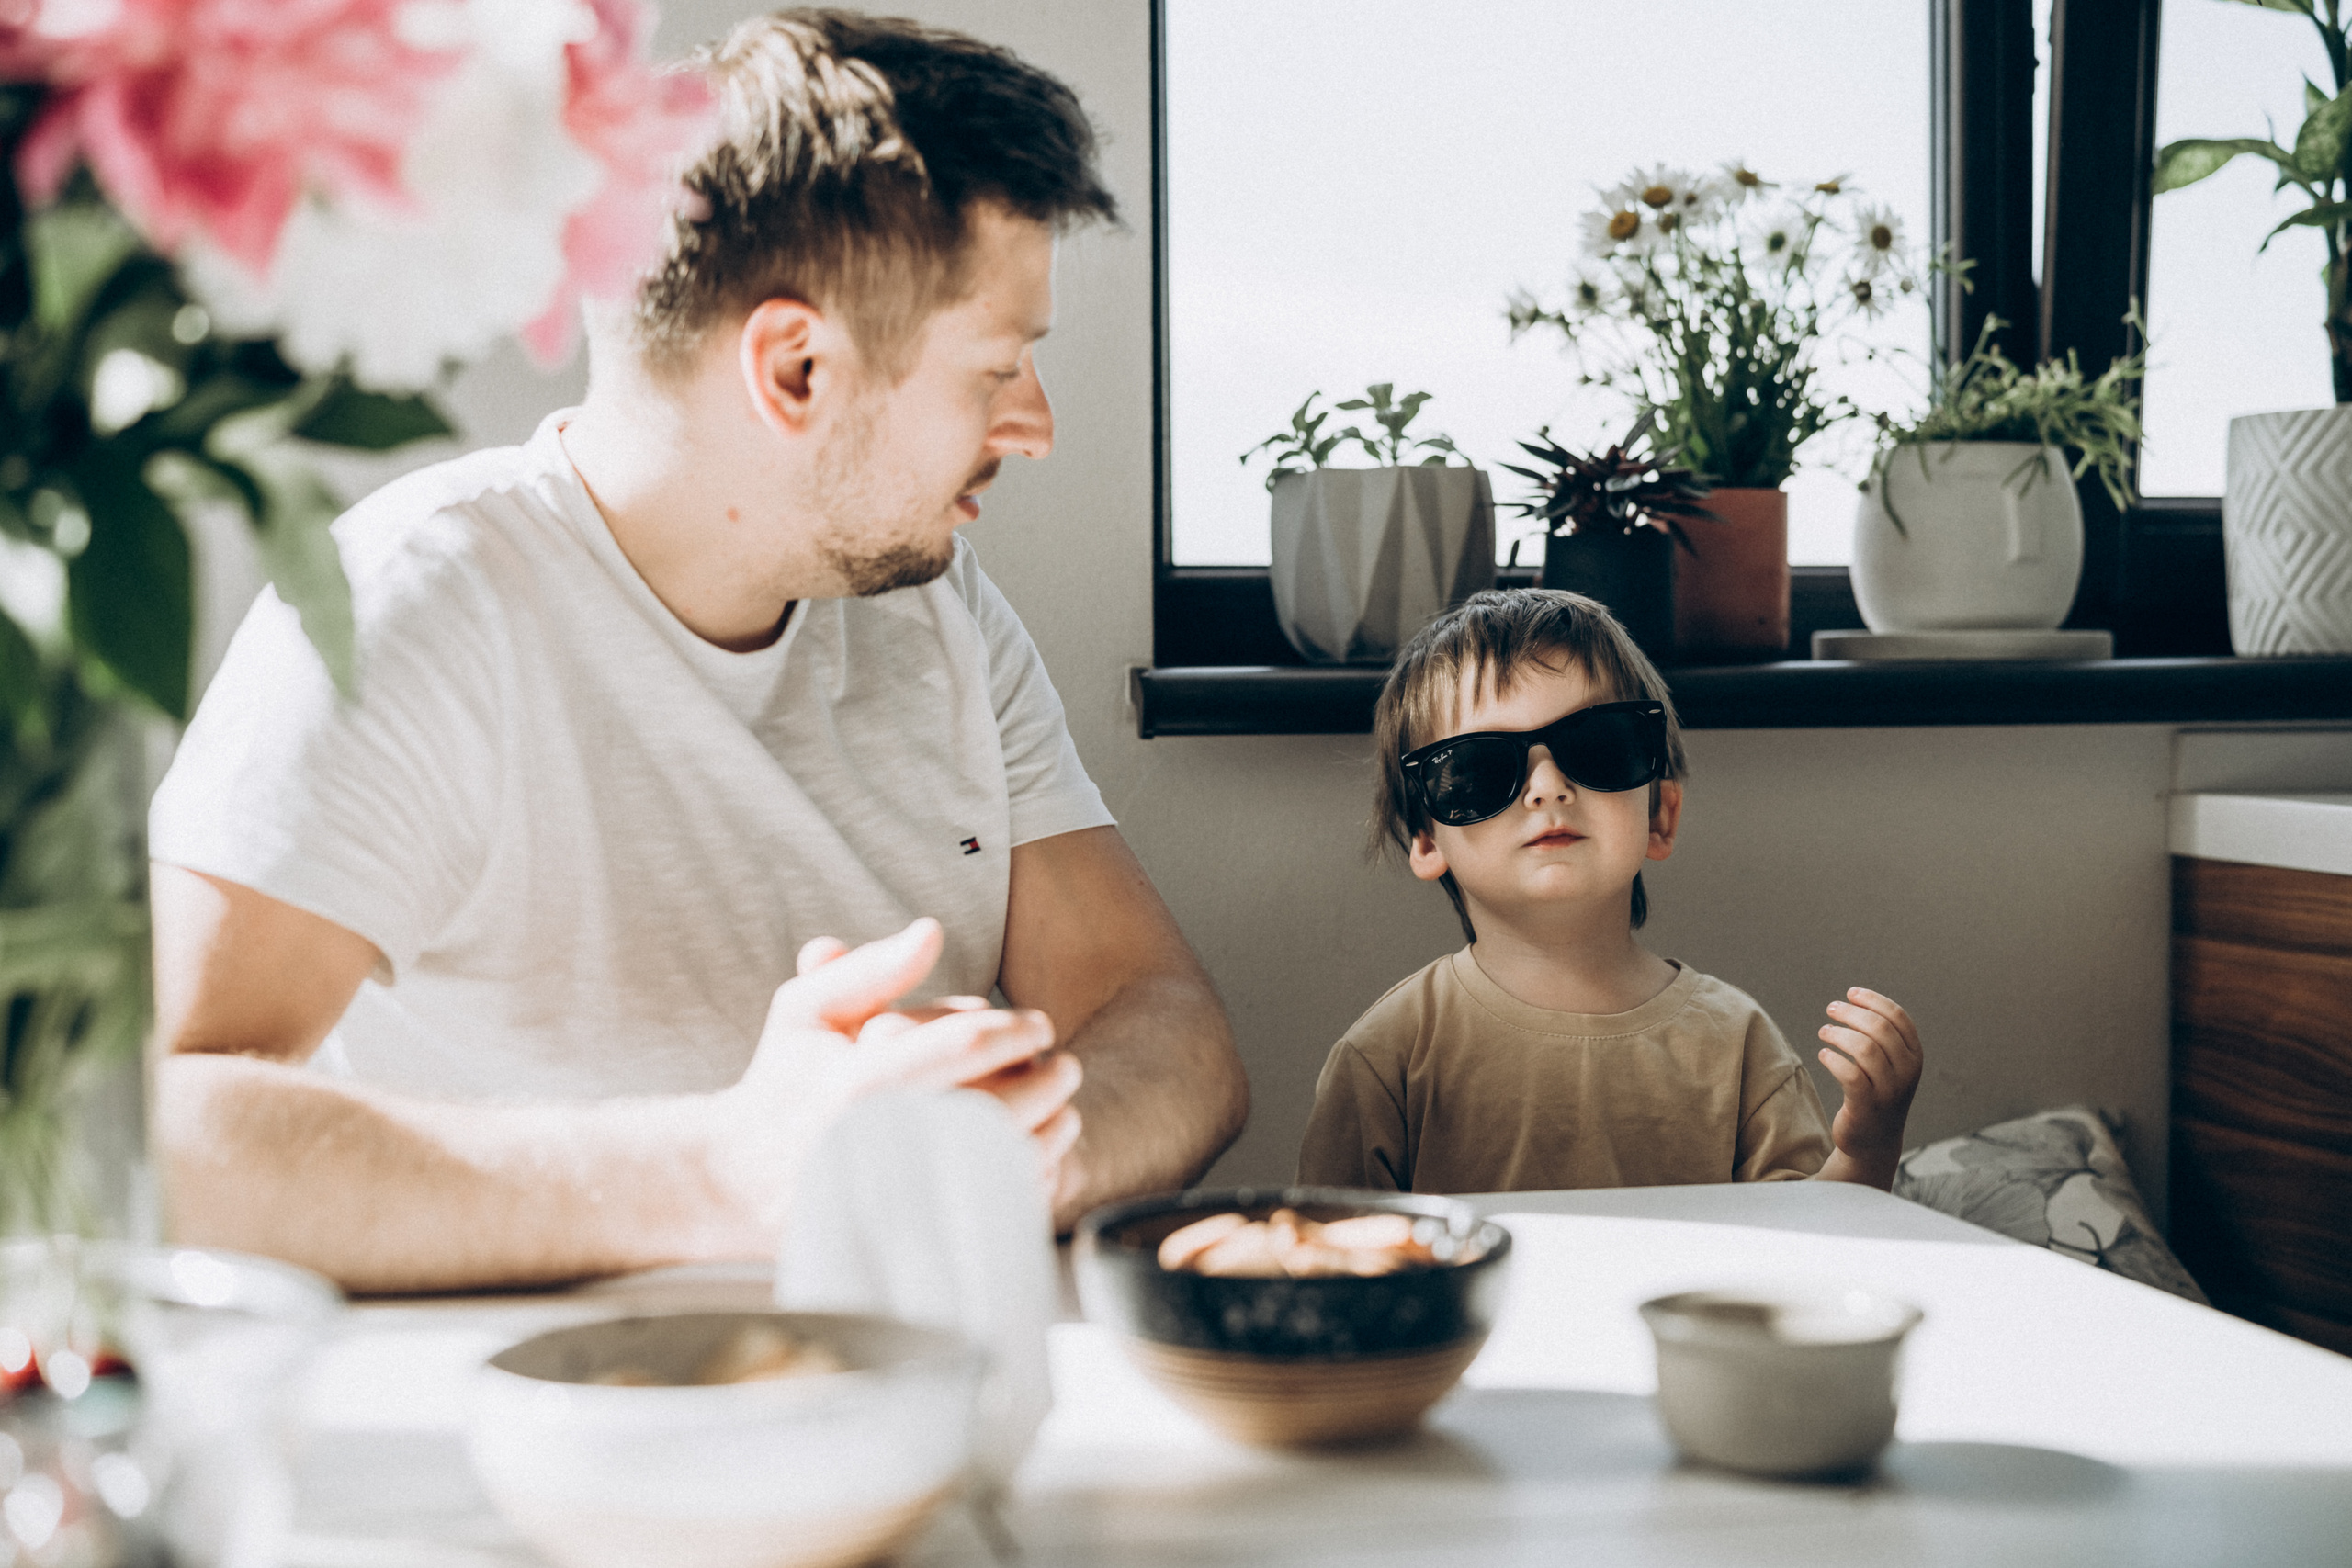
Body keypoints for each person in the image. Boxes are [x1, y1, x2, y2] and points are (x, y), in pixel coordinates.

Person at [148, 10, 1247, 1293]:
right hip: (525, 1452)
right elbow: (163, 1132)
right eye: (998, 367)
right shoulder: (410, 606)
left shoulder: (939, 614)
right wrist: (730, 1169)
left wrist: (1020, 1148)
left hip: (909, 1409)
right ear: (795, 368)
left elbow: (1172, 1026)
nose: (1036, 425)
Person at [1295, 588, 1921, 1193]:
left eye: (1596, 746)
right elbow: (1326, 1269)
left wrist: (1868, 1147)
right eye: (1479, 769)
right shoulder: (1387, 1056)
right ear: (1426, 839)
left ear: (1660, 816)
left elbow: (1810, 1248)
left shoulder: (1737, 1044)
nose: (1547, 786)